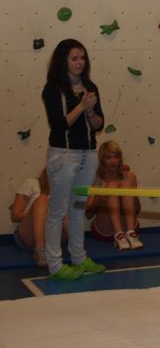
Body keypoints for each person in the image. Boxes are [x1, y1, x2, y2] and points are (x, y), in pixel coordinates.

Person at [42, 39, 106, 280]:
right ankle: (55, 265)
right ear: (63, 61)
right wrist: (81, 106)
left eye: (83, 58)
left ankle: (79, 257)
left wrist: (89, 110)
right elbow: (58, 126)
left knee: (78, 209)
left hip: (88, 154)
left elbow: (99, 125)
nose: (80, 63)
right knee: (57, 211)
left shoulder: (90, 87)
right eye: (74, 58)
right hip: (63, 154)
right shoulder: (53, 89)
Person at [85, 141, 143, 250]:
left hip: (130, 231)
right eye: (108, 157)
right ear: (102, 159)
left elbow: (137, 210)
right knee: (111, 185)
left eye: (116, 157)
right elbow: (88, 214)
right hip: (105, 231)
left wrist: (135, 198)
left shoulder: (130, 176)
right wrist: (99, 200)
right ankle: (118, 234)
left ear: (120, 158)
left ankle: (130, 234)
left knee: (126, 183)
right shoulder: (96, 178)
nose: (113, 161)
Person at [9, 168, 63, 267]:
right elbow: (15, 216)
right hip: (29, 235)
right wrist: (42, 214)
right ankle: (40, 250)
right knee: (42, 199)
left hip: (54, 237)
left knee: (63, 206)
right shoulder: (32, 183)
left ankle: (77, 248)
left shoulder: (67, 188)